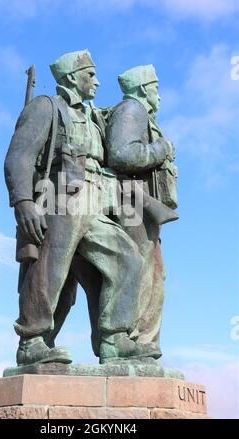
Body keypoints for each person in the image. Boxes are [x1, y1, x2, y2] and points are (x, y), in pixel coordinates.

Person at [4, 50, 147, 367]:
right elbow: (20, 156)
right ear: (71, 77)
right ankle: (32, 341)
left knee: (128, 260)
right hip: (59, 197)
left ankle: (114, 340)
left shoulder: (95, 116)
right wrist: (23, 201)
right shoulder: (46, 107)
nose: (97, 80)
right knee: (49, 270)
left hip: (96, 200)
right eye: (91, 74)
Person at [105, 64, 178, 360]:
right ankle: (132, 340)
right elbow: (121, 154)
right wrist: (160, 150)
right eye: (156, 87)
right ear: (143, 88)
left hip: (141, 206)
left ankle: (144, 342)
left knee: (155, 273)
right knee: (141, 271)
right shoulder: (132, 110)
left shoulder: (141, 114)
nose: (158, 94)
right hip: (130, 204)